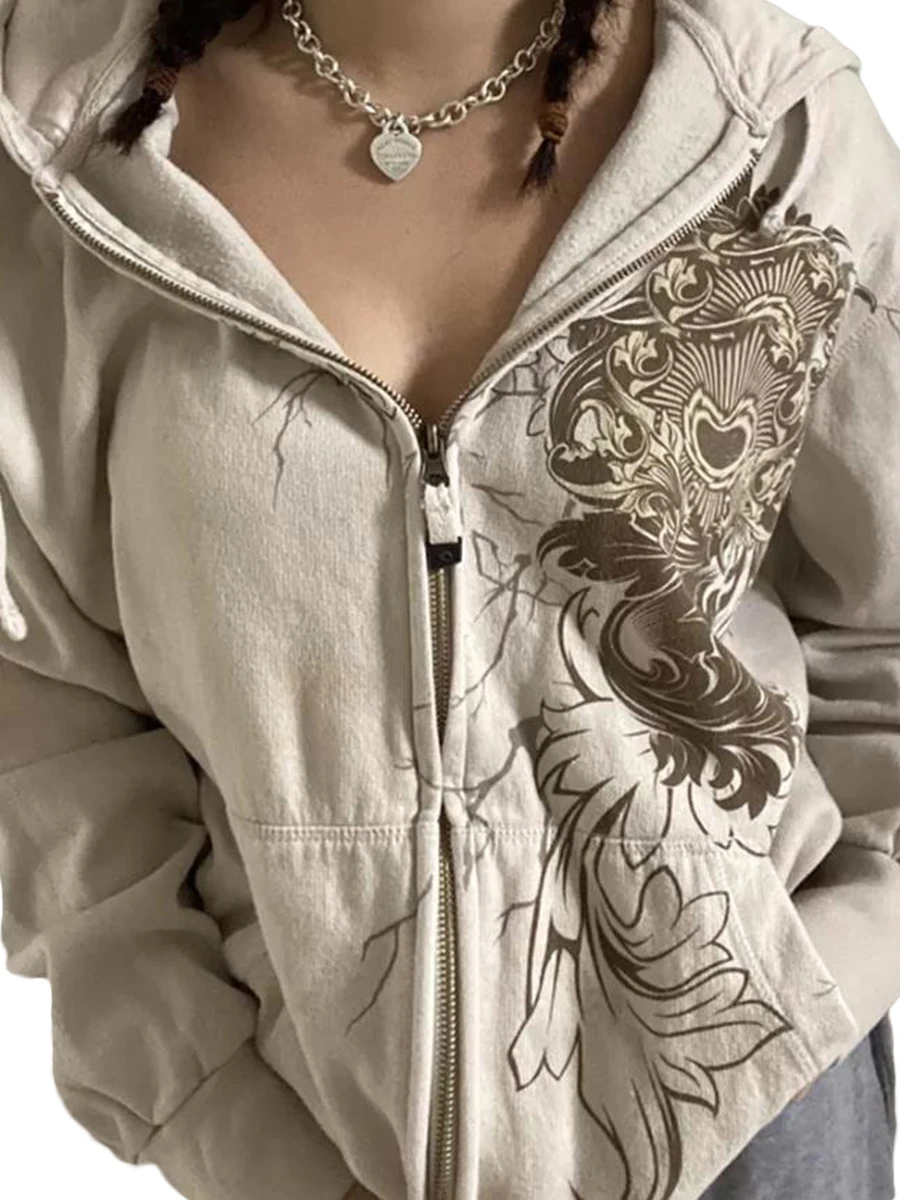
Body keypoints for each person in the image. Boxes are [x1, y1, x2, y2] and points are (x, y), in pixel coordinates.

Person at [0, 0, 897, 1197]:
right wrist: (219, 1117)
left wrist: (828, 968)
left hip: (760, 1128)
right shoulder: (58, 145)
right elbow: (52, 722)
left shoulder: (769, 132)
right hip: (306, 1141)